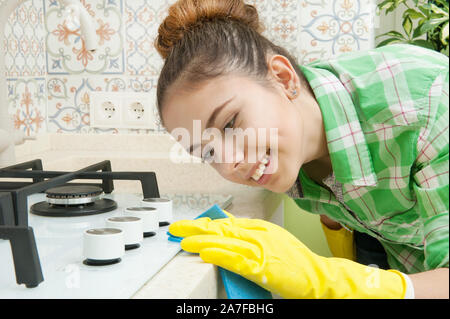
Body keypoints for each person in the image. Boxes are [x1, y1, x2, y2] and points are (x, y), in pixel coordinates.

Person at [155, 0, 449, 299]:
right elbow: (343, 201)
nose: (231, 163)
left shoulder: (429, 102)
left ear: (283, 78)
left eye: (230, 123)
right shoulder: (286, 145)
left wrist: (327, 279)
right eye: (208, 153)